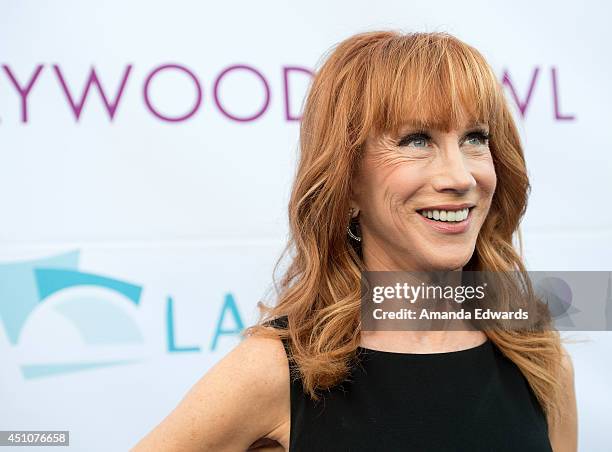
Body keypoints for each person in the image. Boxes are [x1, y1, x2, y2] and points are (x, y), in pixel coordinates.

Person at [132, 30, 577, 452]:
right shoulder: (275, 371)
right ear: (346, 185)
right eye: (417, 140)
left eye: (474, 139)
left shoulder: (539, 357)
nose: (460, 177)